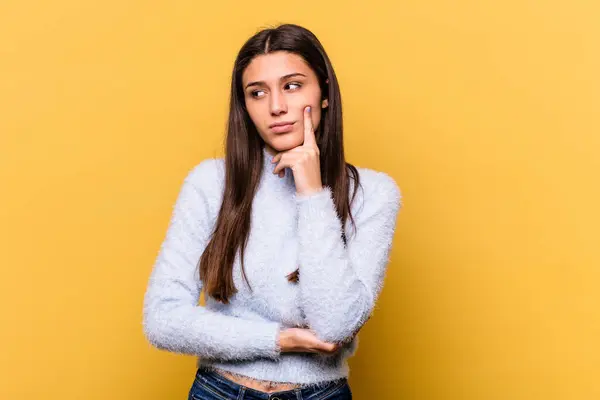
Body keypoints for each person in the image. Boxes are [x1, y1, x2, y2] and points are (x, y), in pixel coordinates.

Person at [142, 23, 403, 400]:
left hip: (319, 394)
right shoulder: (211, 183)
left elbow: (335, 325)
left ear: (325, 92)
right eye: (257, 93)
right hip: (220, 391)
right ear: (245, 106)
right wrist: (278, 339)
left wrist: (312, 191)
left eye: (292, 86)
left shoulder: (374, 193)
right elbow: (163, 320)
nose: (276, 106)